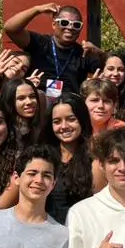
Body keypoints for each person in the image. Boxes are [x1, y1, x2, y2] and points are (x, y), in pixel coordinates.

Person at [4, 2, 102, 98]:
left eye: (76, 25)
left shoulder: (84, 53)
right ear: (54, 24)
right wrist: (37, 9)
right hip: (39, 103)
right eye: (64, 23)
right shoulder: (40, 43)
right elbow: (10, 29)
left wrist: (98, 51)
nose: (70, 27)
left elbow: (108, 66)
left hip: (71, 104)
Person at [45, 93, 103, 223]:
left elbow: (99, 209)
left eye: (71, 119)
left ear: (82, 120)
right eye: (57, 121)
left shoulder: (95, 160)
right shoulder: (44, 156)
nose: (64, 126)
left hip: (80, 230)